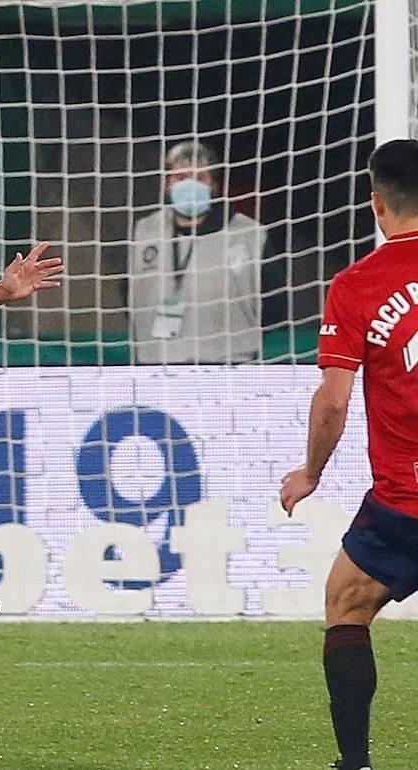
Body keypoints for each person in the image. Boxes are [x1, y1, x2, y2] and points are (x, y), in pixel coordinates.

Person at [279, 138, 418, 770]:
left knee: (347, 603)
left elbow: (333, 403)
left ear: (377, 204)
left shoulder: (358, 285)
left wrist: (311, 473)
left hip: (405, 502)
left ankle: (356, 763)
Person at [128, 140, 266, 363]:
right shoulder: (144, 231)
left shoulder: (250, 234)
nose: (189, 186)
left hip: (230, 364)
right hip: (155, 363)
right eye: (181, 178)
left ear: (214, 186)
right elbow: (129, 293)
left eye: (199, 178)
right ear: (167, 184)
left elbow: (275, 305)